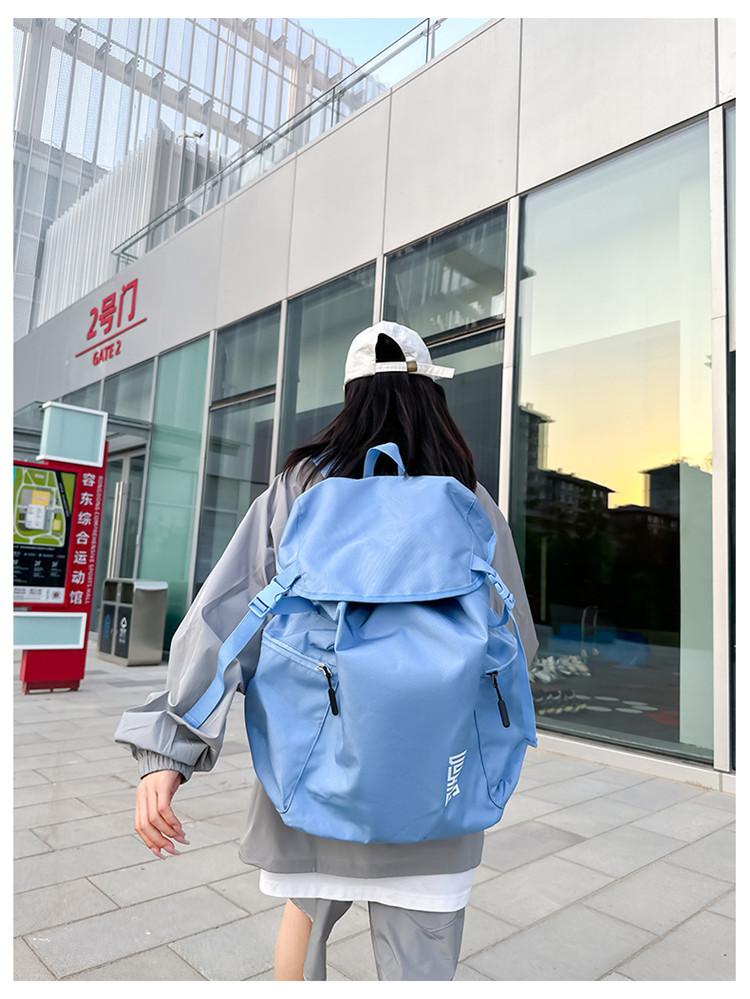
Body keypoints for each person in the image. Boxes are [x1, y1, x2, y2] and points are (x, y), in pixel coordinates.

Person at [114, 320, 539, 981]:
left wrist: (168, 751)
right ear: (433, 395)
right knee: (423, 953)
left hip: (315, 763)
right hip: (440, 778)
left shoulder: (300, 487)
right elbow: (516, 641)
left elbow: (225, 618)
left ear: (350, 396)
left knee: (304, 918)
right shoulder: (470, 501)